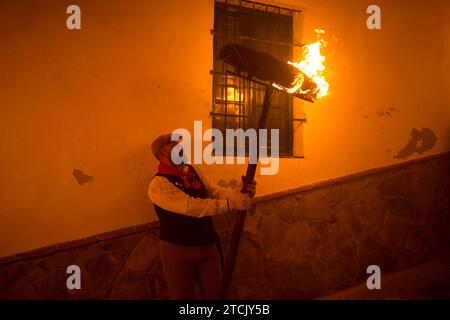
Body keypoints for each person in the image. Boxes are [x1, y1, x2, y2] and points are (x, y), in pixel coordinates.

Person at [147, 134, 256, 300]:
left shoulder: (193, 170)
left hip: (206, 244)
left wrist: (237, 194)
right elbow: (191, 207)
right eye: (174, 147)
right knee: (182, 297)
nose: (181, 149)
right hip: (177, 250)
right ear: (162, 155)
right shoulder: (158, 185)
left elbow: (213, 191)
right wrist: (230, 204)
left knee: (218, 293)